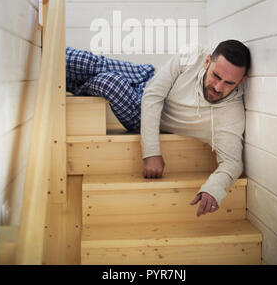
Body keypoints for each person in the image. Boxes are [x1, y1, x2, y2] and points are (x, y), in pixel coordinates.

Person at [66, 39, 250, 218]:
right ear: (207, 61)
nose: (218, 87)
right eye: (216, 76)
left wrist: (214, 188)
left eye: (229, 83)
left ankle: (72, 85)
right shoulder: (194, 55)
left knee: (108, 82)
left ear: (241, 81)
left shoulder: (230, 116)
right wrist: (151, 152)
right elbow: (153, 94)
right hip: (147, 77)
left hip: (138, 113)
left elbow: (232, 163)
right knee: (84, 61)